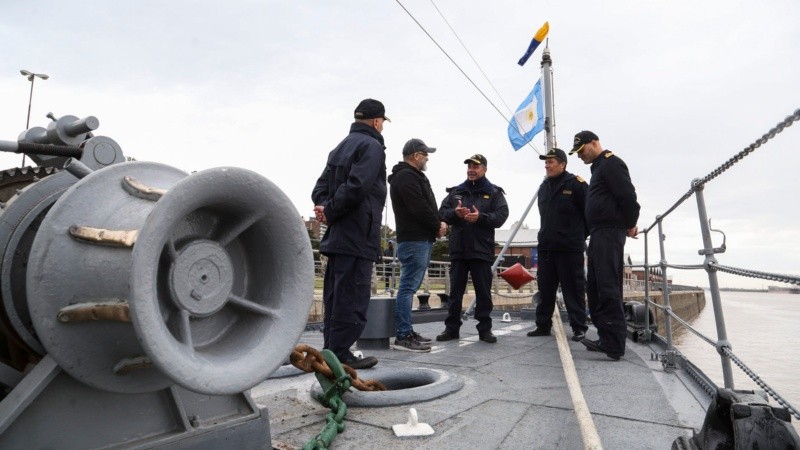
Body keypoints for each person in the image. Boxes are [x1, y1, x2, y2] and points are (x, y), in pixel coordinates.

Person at [311, 98, 390, 370]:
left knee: (335, 295)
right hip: (358, 234)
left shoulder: (339, 148)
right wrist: (330, 211)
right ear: (377, 121)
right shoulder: (372, 146)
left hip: (337, 237)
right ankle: (342, 353)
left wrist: (324, 209)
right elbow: (358, 186)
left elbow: (319, 188)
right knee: (353, 294)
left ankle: (331, 348)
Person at [570, 130, 640, 361]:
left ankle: (613, 344)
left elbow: (628, 197)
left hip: (610, 233)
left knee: (608, 286)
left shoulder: (611, 164)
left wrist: (630, 224)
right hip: (600, 234)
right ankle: (604, 337)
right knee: (596, 287)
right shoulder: (598, 168)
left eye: (582, 150)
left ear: (594, 143)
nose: (580, 155)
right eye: (577, 153)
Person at [436, 154, 509, 344]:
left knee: (483, 293)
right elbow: (442, 212)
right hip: (459, 250)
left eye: (475, 166)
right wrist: (455, 213)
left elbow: (501, 216)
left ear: (484, 169)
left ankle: (485, 329)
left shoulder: (494, 193)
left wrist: (481, 218)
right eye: (469, 166)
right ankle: (451, 328)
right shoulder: (456, 192)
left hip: (481, 251)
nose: (471, 169)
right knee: (455, 294)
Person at [388, 138, 447, 352]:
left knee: (409, 287)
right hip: (414, 239)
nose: (427, 157)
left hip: (419, 238)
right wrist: (437, 225)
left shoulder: (411, 177)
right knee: (407, 288)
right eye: (425, 154)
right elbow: (418, 208)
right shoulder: (406, 177)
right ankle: (403, 336)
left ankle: (407, 331)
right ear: (416, 156)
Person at [527, 148, 590, 342]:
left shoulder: (577, 185)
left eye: (551, 161)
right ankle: (543, 325)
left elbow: (589, 214)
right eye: (545, 162)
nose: (547, 165)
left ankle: (579, 327)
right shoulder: (544, 187)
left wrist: (577, 236)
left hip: (569, 248)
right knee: (545, 289)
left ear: (562, 164)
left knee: (573, 289)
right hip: (547, 248)